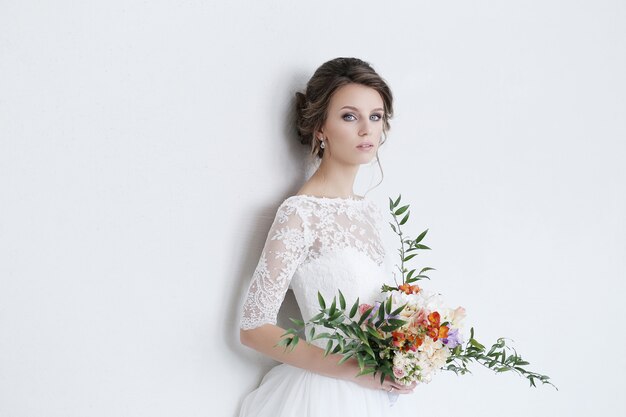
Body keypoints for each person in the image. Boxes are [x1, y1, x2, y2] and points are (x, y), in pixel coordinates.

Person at [238, 57, 415, 417]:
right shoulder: (299, 213)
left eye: (376, 116)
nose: (367, 129)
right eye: (350, 116)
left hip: (373, 398)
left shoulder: (372, 212)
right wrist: (356, 373)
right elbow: (254, 328)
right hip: (325, 398)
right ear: (321, 127)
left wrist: (411, 352)